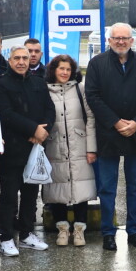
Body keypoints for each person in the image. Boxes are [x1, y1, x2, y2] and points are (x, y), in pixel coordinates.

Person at [85, 22, 136, 251]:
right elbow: (93, 97)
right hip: (108, 133)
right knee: (107, 187)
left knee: (135, 185)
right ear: (109, 40)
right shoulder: (96, 64)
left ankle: (134, 231)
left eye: (125, 38)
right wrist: (115, 122)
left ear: (132, 41)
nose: (121, 42)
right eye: (116, 38)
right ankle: (108, 232)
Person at [0, 46, 55, 255]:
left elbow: (49, 109)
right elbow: (5, 114)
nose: (21, 62)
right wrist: (32, 129)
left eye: (24, 58)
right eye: (16, 58)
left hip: (35, 149)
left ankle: (27, 233)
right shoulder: (0, 84)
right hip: (11, 150)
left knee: (30, 195)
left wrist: (42, 132)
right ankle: (6, 237)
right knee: (9, 196)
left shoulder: (38, 82)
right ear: (9, 61)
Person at [42, 54, 97, 246]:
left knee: (81, 186)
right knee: (57, 188)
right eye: (61, 69)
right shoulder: (45, 91)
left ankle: (80, 229)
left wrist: (92, 149)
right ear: (53, 70)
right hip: (54, 146)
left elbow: (90, 119)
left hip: (79, 146)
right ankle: (63, 229)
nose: (65, 72)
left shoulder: (80, 90)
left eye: (68, 69)